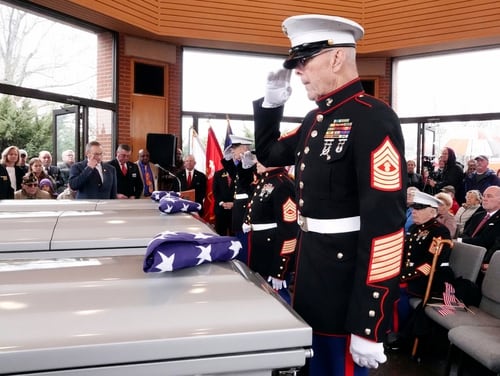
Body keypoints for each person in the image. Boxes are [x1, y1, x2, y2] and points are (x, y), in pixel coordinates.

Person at [253, 14, 406, 375]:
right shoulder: (315, 119)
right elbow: (269, 154)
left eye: (304, 62)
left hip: (345, 291)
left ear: (336, 58)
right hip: (310, 276)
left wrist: (371, 320)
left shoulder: (374, 118)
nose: (299, 72)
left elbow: (385, 227)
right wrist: (273, 102)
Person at [392, 191, 453, 346]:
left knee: (399, 291)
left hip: (429, 278)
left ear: (432, 211)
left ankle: (404, 334)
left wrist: (403, 277)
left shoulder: (439, 231)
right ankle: (390, 328)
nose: (414, 211)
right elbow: (404, 254)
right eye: (413, 207)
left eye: (419, 208)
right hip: (412, 273)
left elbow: (430, 264)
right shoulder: (413, 228)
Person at [243, 159, 298, 304]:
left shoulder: (283, 184)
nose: (256, 161)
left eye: (261, 158)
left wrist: (280, 269)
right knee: (262, 296)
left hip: (273, 252)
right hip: (260, 247)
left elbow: (290, 230)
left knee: (278, 299)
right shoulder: (267, 180)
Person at [221, 135, 257, 265]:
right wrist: (227, 160)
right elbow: (234, 175)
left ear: (244, 148)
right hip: (239, 208)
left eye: (234, 149)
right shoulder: (242, 165)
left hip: (245, 209)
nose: (233, 152)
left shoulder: (251, 164)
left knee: (245, 246)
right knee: (239, 242)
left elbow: (245, 182)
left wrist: (245, 166)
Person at [461, 185, 500, 271]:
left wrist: (459, 241)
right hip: (464, 253)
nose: (484, 199)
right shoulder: (478, 215)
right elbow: (466, 233)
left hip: (483, 262)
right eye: (484, 196)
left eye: (489, 196)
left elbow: (486, 241)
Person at [212, 166, 235, 236]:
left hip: (234, 210)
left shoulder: (238, 173)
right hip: (220, 210)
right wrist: (222, 203)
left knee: (234, 235)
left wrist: (234, 203)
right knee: (220, 234)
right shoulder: (218, 174)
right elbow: (215, 191)